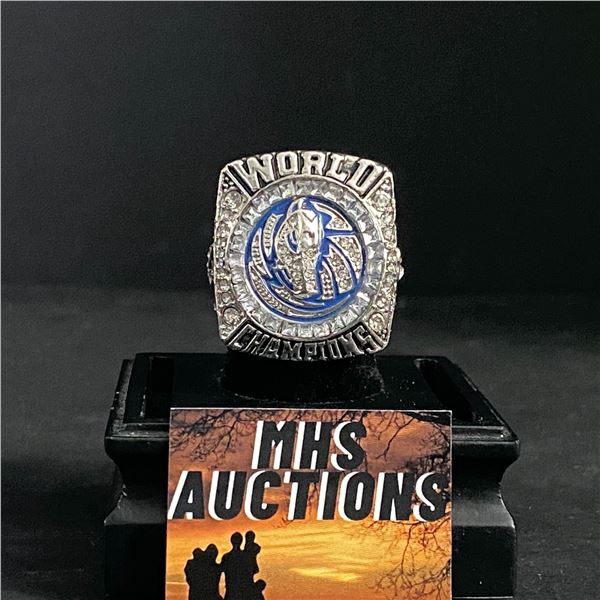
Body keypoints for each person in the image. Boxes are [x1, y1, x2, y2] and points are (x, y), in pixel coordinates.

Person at [220, 532, 254, 600]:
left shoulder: (227, 557)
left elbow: (252, 571)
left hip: (239, 590)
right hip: (234, 590)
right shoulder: (227, 557)